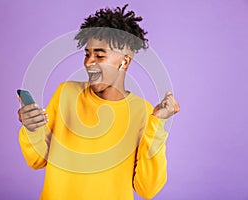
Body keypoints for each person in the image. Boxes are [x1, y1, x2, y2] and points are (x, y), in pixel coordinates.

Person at [17, 4, 180, 200]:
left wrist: (158, 125)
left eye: (99, 55)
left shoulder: (143, 112)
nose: (88, 62)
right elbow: (37, 160)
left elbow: (148, 189)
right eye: (87, 54)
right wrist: (32, 129)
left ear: (124, 62)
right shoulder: (66, 93)